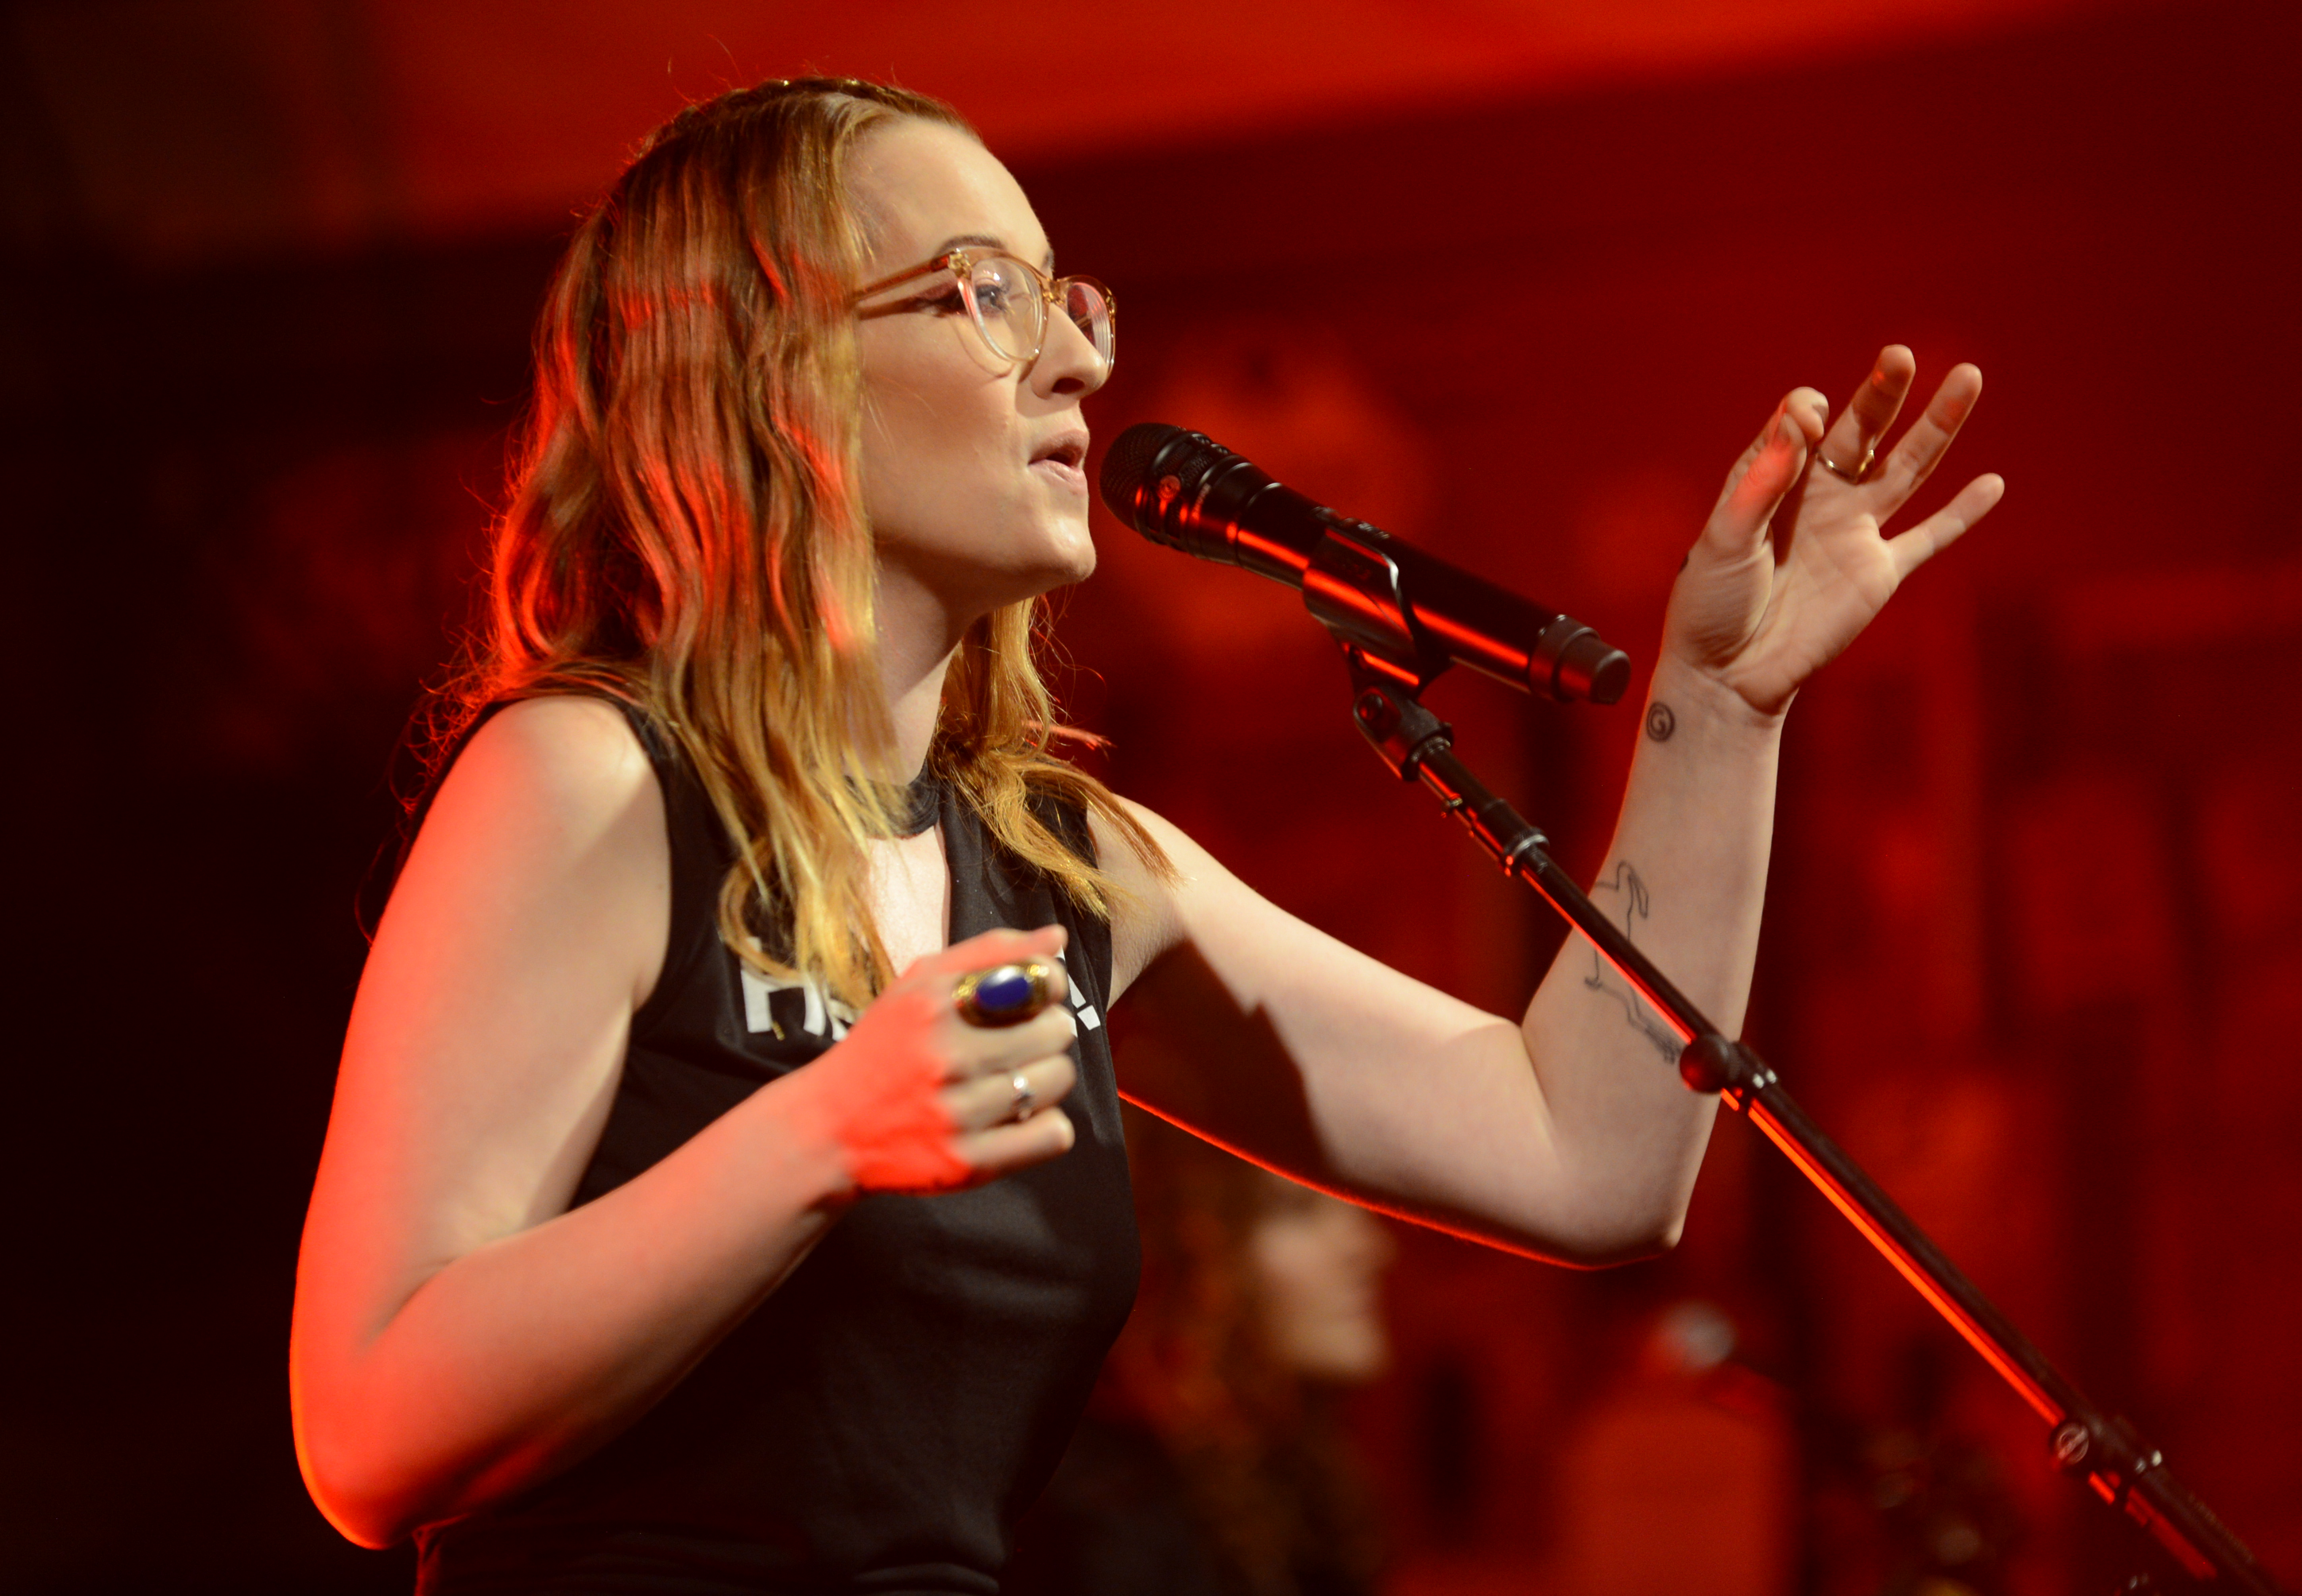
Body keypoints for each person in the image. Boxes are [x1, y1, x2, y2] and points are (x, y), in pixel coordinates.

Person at [287, 77, 2003, 1595]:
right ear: (767, 370)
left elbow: (1592, 1158)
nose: (1082, 355)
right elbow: (364, 1425)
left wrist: (1722, 712)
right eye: (986, 294)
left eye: (1071, 297)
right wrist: (817, 1134)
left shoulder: (1066, 862)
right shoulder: (590, 780)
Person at [1002, 1108, 1396, 1596]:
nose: (1371, 1248)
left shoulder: (1302, 1480)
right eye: (1296, 1209)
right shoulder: (1105, 1510)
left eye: (1356, 1207)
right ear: (1191, 1250)